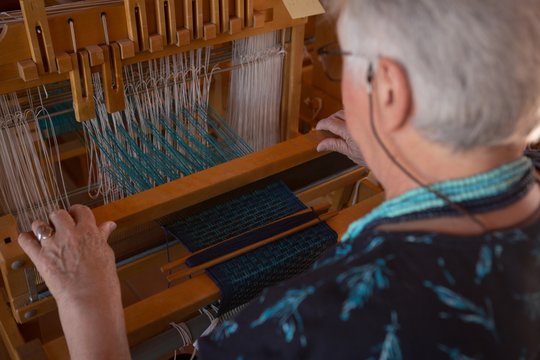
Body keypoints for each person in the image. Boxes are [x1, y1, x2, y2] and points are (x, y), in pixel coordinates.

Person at [18, 0, 540, 358]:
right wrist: (398, 158)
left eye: (346, 59)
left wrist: (88, 307)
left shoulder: (303, 328)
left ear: (390, 95)